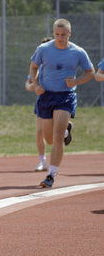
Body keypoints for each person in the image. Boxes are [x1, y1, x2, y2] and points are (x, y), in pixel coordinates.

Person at [30, 18, 94, 188]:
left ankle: (51, 175)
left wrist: (76, 82)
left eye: (63, 35)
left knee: (57, 137)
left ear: (69, 34)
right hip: (46, 96)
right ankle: (67, 131)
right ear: (53, 33)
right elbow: (33, 67)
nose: (60, 38)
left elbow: (90, 72)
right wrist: (36, 85)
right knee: (49, 139)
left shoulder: (78, 52)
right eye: (57, 34)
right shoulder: (43, 49)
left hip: (65, 96)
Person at [25, 37, 73, 172]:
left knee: (55, 133)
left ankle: (64, 131)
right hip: (43, 102)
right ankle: (42, 162)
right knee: (40, 132)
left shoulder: (59, 64)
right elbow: (28, 83)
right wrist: (34, 86)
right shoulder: (37, 66)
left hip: (58, 101)